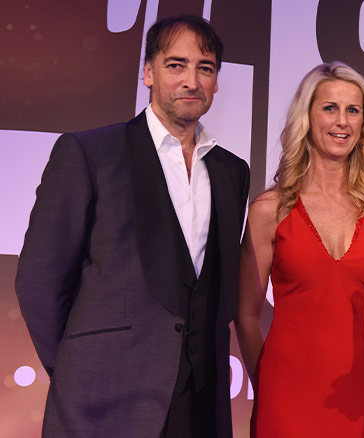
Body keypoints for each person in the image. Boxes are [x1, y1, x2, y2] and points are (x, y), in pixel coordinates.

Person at [15, 15, 249, 437]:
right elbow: (39, 280)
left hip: (201, 404)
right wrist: (79, 370)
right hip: (104, 402)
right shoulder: (89, 153)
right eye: (176, 65)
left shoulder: (232, 170)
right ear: (148, 72)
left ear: (216, 82)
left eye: (205, 68)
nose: (191, 81)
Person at [235, 61, 364, 437]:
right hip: (287, 393)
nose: (342, 121)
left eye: (353, 110)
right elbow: (246, 314)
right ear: (307, 117)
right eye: (330, 108)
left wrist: (363, 364)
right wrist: (267, 382)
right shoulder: (269, 211)